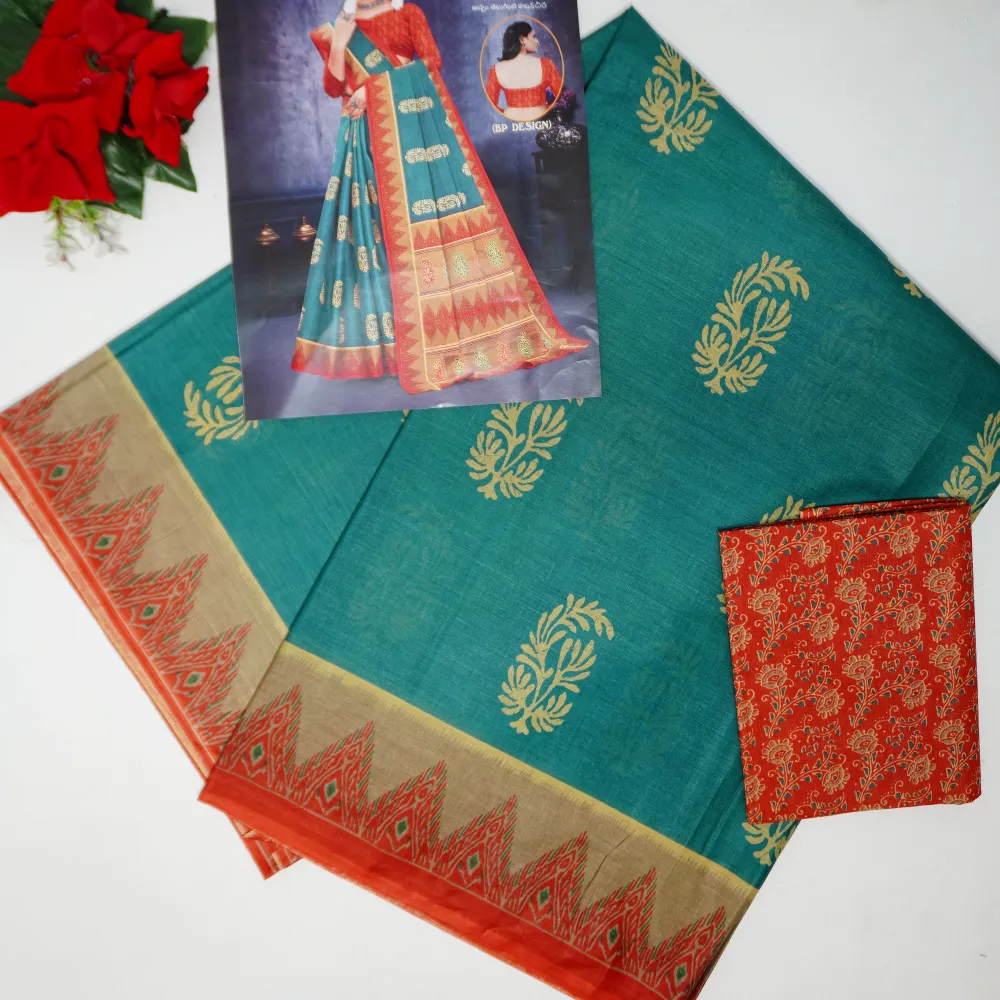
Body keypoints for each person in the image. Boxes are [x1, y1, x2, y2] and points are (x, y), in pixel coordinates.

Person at [294, 1, 587, 395]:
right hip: (364, 139)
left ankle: (441, 338)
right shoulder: (340, 27)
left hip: (411, 133)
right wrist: (339, 45)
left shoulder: (407, 14)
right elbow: (333, 88)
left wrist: (372, 89)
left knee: (418, 230)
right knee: (373, 233)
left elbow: (431, 61)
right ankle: (391, 347)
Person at [485, 21, 562, 121]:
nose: (537, 42)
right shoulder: (546, 65)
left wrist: (507, 114)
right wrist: (545, 109)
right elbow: (562, 97)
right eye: (534, 37)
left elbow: (489, 106)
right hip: (541, 122)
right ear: (522, 39)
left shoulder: (495, 69)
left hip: (511, 124)